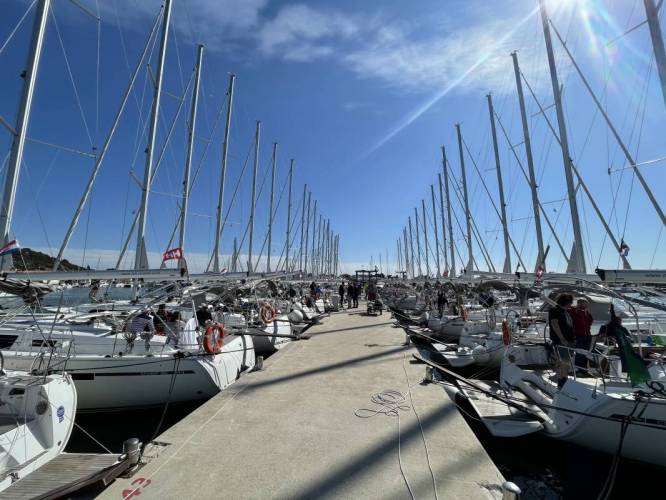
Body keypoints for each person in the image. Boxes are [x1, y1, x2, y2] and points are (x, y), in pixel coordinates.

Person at [548, 293, 575, 389]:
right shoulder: (555, 310)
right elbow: (554, 324)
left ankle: (563, 379)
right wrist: (562, 338)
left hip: (569, 340)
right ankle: (562, 382)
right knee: (564, 361)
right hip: (562, 341)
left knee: (566, 361)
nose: (571, 304)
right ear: (565, 302)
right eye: (570, 302)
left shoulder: (565, 312)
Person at [570, 299, 593, 372]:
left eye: (587, 304)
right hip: (578, 336)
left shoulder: (586, 312)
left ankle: (584, 369)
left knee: (586, 353)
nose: (586, 306)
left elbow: (590, 321)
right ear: (579, 303)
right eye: (585, 304)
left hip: (587, 335)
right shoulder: (573, 311)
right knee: (579, 353)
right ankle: (578, 369)